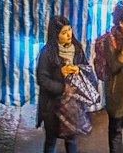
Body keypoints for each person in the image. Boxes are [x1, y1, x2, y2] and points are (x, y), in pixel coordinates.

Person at [91, 3, 123, 153]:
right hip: (117, 95)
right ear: (121, 22)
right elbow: (113, 67)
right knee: (116, 132)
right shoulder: (110, 40)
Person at [37, 14, 92, 153]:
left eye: (69, 30)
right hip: (52, 107)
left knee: (71, 140)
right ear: (56, 35)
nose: (68, 35)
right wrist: (62, 85)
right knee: (50, 141)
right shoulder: (47, 53)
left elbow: (87, 69)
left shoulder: (77, 49)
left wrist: (78, 69)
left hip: (73, 106)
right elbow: (42, 79)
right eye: (64, 32)